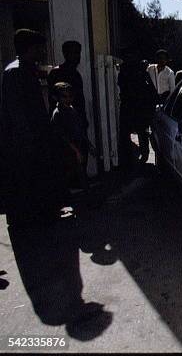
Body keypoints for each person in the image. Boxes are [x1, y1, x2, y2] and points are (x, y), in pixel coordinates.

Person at [0, 29, 107, 328]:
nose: (41, 54)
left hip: (33, 152)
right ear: (27, 48)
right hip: (26, 155)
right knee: (33, 202)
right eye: (37, 48)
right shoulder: (16, 74)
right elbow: (24, 123)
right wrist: (40, 151)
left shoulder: (22, 71)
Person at [118, 48, 158, 169]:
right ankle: (132, 157)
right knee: (130, 133)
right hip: (130, 107)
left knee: (141, 132)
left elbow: (150, 91)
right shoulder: (124, 72)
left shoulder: (140, 72)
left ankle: (142, 156)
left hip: (139, 107)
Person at [50, 82, 90, 191]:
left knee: (78, 171)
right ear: (56, 98)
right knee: (70, 173)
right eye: (64, 97)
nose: (68, 99)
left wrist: (87, 144)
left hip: (76, 146)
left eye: (70, 96)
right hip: (66, 149)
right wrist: (76, 151)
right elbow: (62, 136)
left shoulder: (71, 110)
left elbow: (78, 129)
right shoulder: (58, 114)